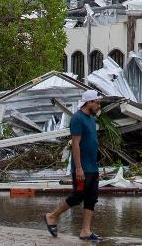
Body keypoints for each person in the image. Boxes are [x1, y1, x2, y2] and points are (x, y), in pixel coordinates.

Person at [44, 89, 103, 241]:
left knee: (92, 198)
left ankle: (85, 230)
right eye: (97, 102)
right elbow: (75, 144)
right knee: (78, 196)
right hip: (82, 167)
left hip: (92, 167)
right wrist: (78, 168)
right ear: (88, 102)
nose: (98, 105)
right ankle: (51, 216)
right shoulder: (77, 119)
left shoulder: (91, 119)